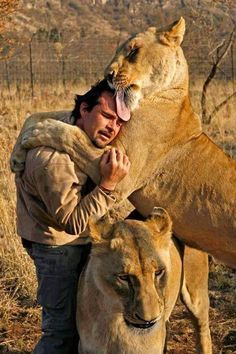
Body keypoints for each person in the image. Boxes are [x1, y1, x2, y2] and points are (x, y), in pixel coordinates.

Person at [15, 79, 131, 354]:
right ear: (84, 109)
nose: (113, 128)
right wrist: (107, 185)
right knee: (61, 332)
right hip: (57, 247)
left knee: (85, 325)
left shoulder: (73, 131)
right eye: (107, 116)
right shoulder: (51, 159)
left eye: (119, 122)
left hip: (78, 243)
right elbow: (73, 222)